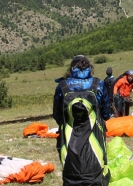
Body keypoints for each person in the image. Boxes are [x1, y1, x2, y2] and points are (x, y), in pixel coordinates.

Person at [53, 55, 111, 186]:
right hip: (94, 152)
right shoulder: (98, 85)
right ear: (90, 68)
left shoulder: (62, 87)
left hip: (69, 154)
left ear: (71, 68)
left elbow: (57, 116)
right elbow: (106, 114)